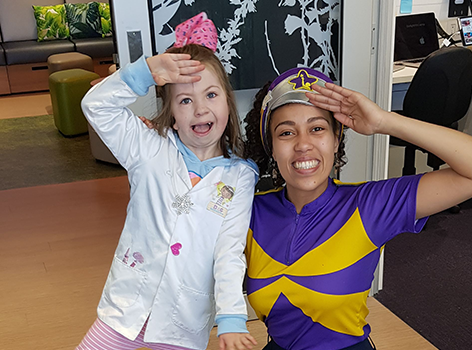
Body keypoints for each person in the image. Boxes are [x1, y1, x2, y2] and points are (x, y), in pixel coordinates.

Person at [242, 67, 472, 350]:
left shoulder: (370, 205)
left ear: (336, 140)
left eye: (317, 129)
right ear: (272, 148)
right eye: (287, 133)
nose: (303, 144)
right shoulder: (250, 211)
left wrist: (385, 121)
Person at [76, 12, 258, 350]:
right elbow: (96, 105)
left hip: (182, 317)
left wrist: (232, 317)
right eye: (185, 100)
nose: (200, 109)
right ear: (172, 113)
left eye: (211, 95)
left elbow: (229, 251)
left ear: (228, 103)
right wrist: (146, 72)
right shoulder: (148, 147)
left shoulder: (240, 177)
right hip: (127, 306)